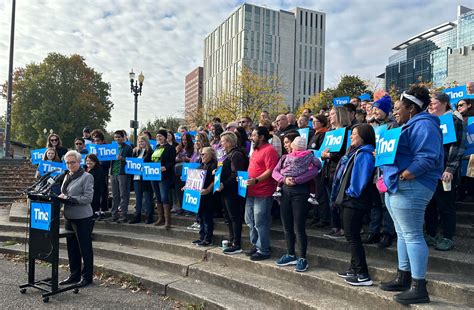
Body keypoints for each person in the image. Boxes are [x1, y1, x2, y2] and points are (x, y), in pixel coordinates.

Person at [379, 85, 444, 305]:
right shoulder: (410, 125)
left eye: (399, 107)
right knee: (403, 234)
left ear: (411, 108)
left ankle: (419, 287)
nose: (396, 111)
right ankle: (403, 277)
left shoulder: (425, 124)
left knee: (413, 234)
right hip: (399, 186)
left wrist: (405, 175)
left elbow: (428, 157)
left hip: (412, 186)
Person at [332, 124, 376, 286]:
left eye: (354, 134)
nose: (351, 137)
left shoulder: (365, 154)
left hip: (354, 200)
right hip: (349, 199)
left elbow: (359, 180)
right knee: (351, 235)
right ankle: (353, 268)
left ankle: (363, 274)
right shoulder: (356, 152)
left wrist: (350, 194)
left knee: (352, 236)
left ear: (363, 136)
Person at [272, 133, 320, 272]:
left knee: (299, 226)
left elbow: (314, 171)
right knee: (287, 225)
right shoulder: (284, 158)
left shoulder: (310, 157)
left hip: (301, 192)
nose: (287, 145)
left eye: (288, 143)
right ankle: (290, 253)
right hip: (285, 191)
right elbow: (275, 172)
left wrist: (297, 180)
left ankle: (302, 258)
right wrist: (283, 179)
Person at [425, 92, 465, 251]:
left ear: (444, 103)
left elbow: (458, 146)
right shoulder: (430, 122)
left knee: (445, 204)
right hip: (430, 171)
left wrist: (450, 168)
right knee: (430, 204)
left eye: (433, 103)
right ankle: (431, 233)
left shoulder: (454, 120)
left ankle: (447, 236)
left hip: (445, 171)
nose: (430, 106)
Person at [364, 95, 398, 248]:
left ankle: (388, 232)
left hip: (385, 170)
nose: (375, 111)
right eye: (374, 109)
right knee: (374, 203)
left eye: (378, 109)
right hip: (373, 169)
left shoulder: (393, 125)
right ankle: (374, 231)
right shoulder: (373, 126)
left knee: (385, 204)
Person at [58, 150, 94, 288]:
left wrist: (69, 198)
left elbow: (87, 198)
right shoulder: (67, 175)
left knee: (84, 248)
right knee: (72, 248)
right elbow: (65, 192)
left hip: (82, 217)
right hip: (69, 216)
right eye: (67, 162)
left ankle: (87, 277)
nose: (69, 165)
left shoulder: (87, 177)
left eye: (72, 162)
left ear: (79, 162)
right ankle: (74, 275)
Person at [244, 127, 279, 261]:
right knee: (249, 220)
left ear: (261, 137)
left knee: (260, 222)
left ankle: (263, 249)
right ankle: (255, 244)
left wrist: (257, 180)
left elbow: (271, 170)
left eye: (253, 135)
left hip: (263, 191)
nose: (251, 138)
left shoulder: (269, 150)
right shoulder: (255, 150)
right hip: (251, 191)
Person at [216, 131, 249, 254]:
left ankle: (237, 243)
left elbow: (236, 174)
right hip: (225, 191)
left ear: (229, 142)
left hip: (232, 191)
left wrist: (224, 183)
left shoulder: (236, 155)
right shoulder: (228, 155)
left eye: (223, 142)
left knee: (234, 217)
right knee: (228, 217)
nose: (221, 144)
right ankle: (232, 239)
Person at [321, 106, 352, 238]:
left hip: (339, 172)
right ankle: (335, 227)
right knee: (331, 201)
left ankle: (343, 228)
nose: (330, 116)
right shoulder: (330, 133)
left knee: (339, 201)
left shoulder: (347, 133)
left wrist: (328, 156)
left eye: (333, 114)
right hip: (328, 172)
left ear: (340, 115)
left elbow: (346, 154)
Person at [191, 146, 218, 246]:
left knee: (207, 218)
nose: (201, 156)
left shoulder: (213, 166)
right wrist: (187, 187)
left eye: (204, 154)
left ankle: (208, 239)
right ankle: (201, 237)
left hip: (209, 197)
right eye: (201, 154)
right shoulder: (200, 165)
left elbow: (215, 180)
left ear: (211, 155)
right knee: (200, 218)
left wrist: (208, 190)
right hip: (199, 197)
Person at [106, 130, 133, 223]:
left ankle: (123, 215)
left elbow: (132, 161)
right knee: (115, 195)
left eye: (119, 137)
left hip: (123, 173)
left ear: (123, 137)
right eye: (115, 137)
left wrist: (123, 159)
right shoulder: (113, 147)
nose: (117, 139)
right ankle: (114, 215)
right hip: (113, 173)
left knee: (123, 195)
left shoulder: (128, 148)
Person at [151, 129, 176, 229]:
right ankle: (161, 218)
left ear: (165, 137)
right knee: (158, 197)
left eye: (160, 136)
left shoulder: (170, 148)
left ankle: (167, 221)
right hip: (154, 175)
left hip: (165, 176)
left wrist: (165, 167)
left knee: (164, 197)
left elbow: (172, 161)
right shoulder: (156, 147)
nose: (158, 138)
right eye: (157, 136)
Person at [129, 135, 154, 224]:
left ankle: (149, 216)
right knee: (138, 197)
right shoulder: (135, 151)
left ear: (146, 142)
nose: (140, 143)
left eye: (142, 141)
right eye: (139, 141)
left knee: (147, 197)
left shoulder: (151, 151)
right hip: (136, 177)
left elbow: (151, 164)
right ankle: (137, 216)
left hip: (146, 178)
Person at [91, 130, 110, 218]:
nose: (96, 143)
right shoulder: (92, 149)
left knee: (103, 191)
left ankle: (103, 209)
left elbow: (107, 163)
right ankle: (95, 210)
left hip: (103, 173)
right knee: (95, 192)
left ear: (102, 141)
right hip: (94, 173)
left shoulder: (107, 149)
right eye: (95, 141)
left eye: (98, 141)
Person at [85, 153, 105, 219]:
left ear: (95, 161)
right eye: (87, 160)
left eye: (90, 160)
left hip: (96, 192)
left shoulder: (99, 170)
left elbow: (98, 183)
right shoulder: (85, 169)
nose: (88, 162)